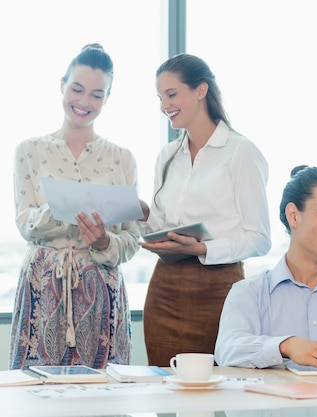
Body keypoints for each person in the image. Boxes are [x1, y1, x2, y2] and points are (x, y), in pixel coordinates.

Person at [10, 44, 140, 369]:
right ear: (62, 85)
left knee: (101, 396)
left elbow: (132, 238)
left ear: (107, 99)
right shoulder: (29, 150)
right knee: (38, 394)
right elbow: (25, 222)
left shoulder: (121, 158)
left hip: (101, 291)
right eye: (77, 89)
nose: (84, 102)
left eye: (97, 95)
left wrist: (104, 242)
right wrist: (62, 205)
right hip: (43, 287)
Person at [139, 53, 271, 366]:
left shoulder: (240, 152)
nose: (163, 105)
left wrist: (202, 247)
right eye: (160, 97)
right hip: (165, 287)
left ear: (201, 90)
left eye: (171, 94)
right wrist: (142, 213)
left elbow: (259, 238)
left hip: (219, 290)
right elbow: (162, 224)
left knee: (215, 394)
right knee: (165, 389)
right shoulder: (167, 155)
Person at [214, 165, 317, 370]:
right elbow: (227, 350)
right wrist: (287, 346)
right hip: (276, 402)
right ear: (293, 215)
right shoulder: (250, 293)